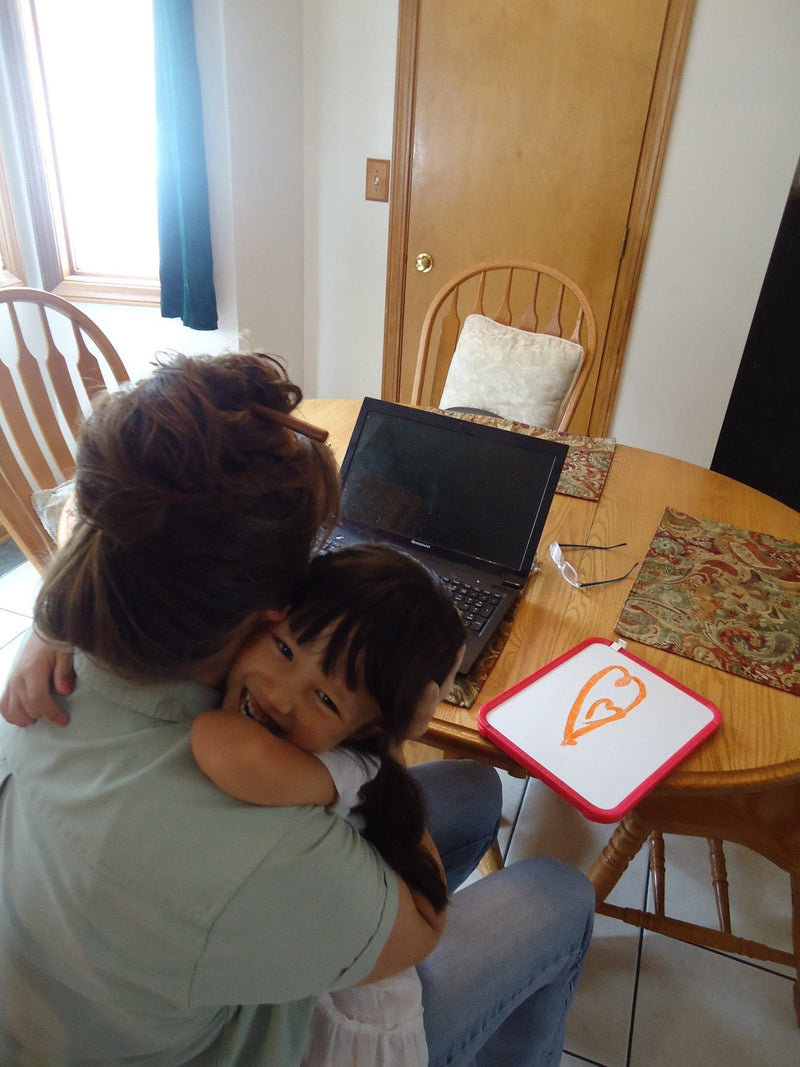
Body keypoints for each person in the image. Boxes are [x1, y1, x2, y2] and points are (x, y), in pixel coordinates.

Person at [0, 350, 594, 1066]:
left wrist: (46, 627)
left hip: (78, 999)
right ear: (272, 609)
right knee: (560, 894)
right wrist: (384, 724)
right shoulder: (253, 844)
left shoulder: (65, 658)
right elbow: (423, 925)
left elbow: (99, 521)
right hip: (259, 1028)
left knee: (474, 790)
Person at [191, 542, 466, 1066]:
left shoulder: (339, 768)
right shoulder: (359, 756)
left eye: (325, 699)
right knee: (483, 796)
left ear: (364, 731)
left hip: (358, 1024)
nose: (280, 695)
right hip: (357, 946)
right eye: (285, 649)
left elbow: (219, 745)